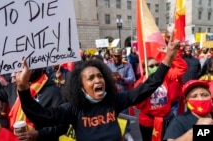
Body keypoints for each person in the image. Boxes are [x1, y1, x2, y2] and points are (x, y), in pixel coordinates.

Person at [15, 38, 180, 141]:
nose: (98, 80)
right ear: (81, 86)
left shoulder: (114, 100)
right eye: (91, 78)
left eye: (100, 76)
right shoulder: (73, 108)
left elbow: (148, 86)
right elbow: (41, 116)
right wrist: (23, 88)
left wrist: (168, 59)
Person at [0, 68, 68, 141]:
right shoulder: (14, 88)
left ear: (43, 67)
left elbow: (63, 126)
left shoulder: (54, 92)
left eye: (32, 63)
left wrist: (39, 134)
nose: (27, 68)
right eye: (23, 65)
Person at [134, 49, 187, 141]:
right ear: (145, 68)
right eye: (151, 66)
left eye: (157, 65)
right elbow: (138, 105)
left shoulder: (165, 76)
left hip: (166, 119)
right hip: (149, 121)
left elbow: (182, 68)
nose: (155, 67)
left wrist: (173, 55)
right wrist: (143, 90)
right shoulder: (140, 83)